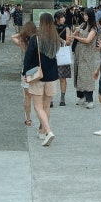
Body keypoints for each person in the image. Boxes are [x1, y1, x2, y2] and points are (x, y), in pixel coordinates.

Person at [22, 12, 59, 147]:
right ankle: (43, 132)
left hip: (38, 76)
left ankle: (48, 131)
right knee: (46, 106)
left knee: (38, 106)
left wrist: (25, 73)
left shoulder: (36, 38)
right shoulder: (55, 38)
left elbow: (28, 57)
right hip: (52, 76)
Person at [11, 20, 37, 126]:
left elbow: (13, 37)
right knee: (38, 96)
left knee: (27, 96)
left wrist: (22, 33)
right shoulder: (37, 41)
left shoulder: (24, 43)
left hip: (27, 70)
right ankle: (41, 118)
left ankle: (28, 119)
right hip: (37, 70)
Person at [72, 8, 99, 108]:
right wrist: (75, 32)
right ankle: (81, 96)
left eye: (86, 15)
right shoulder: (83, 24)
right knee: (78, 74)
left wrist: (76, 37)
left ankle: (90, 99)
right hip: (79, 53)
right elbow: (75, 32)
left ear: (90, 16)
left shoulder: (93, 28)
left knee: (87, 75)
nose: (85, 16)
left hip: (87, 54)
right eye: (84, 15)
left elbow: (88, 40)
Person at [54, 9, 72, 106]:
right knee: (51, 78)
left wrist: (60, 40)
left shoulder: (66, 28)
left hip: (62, 53)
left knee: (62, 77)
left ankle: (62, 98)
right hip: (52, 53)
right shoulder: (51, 27)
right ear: (56, 19)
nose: (63, 19)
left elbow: (68, 42)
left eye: (64, 17)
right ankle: (50, 98)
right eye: (61, 17)